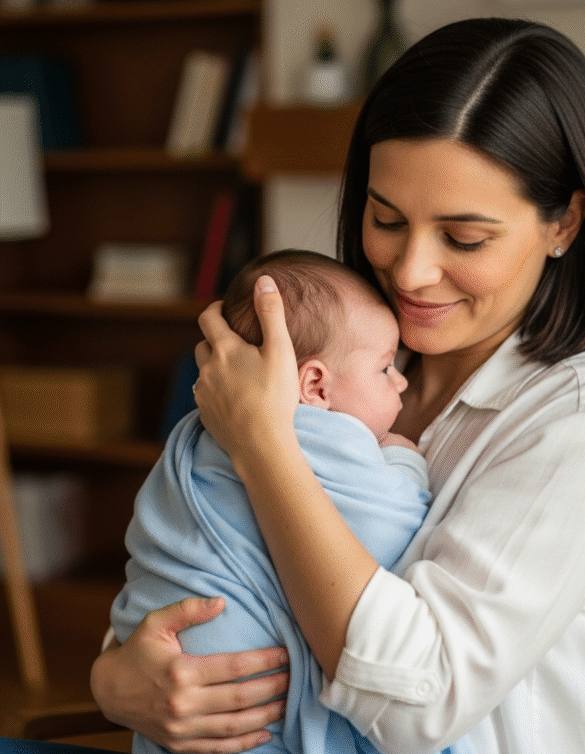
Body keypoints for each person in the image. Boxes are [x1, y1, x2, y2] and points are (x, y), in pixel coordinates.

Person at [91, 17, 585, 754]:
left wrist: (264, 445)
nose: (409, 272)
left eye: (465, 238)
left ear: (566, 222)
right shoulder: (343, 375)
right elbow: (199, 549)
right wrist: (116, 681)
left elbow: (412, 706)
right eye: (386, 218)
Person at [109, 249, 469, 754]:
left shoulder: (198, 431)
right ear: (315, 385)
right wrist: (405, 463)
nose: (401, 381)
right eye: (386, 368)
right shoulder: (331, 438)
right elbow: (392, 534)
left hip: (179, 676)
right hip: (242, 706)